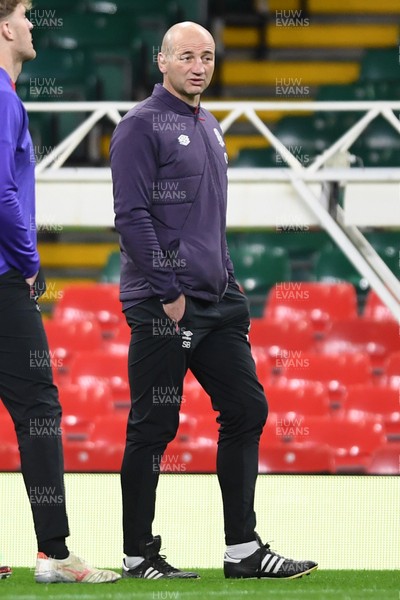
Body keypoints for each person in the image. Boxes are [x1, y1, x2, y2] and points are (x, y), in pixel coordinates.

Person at [110, 21, 318, 580]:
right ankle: (136, 555)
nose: (199, 65)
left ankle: (242, 551)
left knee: (247, 408)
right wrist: (170, 292)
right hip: (162, 304)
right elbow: (131, 219)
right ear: (162, 61)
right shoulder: (138, 126)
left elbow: (210, 219)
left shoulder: (212, 125)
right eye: (186, 56)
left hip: (218, 302)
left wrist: (229, 281)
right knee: (154, 427)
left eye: (207, 56)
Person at [0, 1, 120, 584]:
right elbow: (1, 193)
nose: (30, 26)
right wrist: (29, 262)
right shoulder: (2, 97)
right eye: (24, 16)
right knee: (39, 411)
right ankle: (53, 552)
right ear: (4, 27)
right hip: (2, 278)